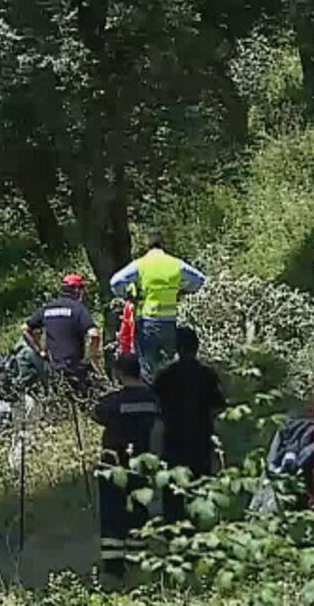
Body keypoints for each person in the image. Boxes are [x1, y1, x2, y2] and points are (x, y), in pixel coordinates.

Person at [92, 352, 159, 578]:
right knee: (138, 513)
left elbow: (97, 413)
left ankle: (113, 569)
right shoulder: (152, 399)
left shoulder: (114, 401)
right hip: (142, 464)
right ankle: (137, 561)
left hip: (113, 464)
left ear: (119, 373)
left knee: (112, 516)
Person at [109, 229, 206, 382]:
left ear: (147, 246)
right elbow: (200, 280)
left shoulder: (141, 264)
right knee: (168, 366)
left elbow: (115, 282)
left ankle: (152, 401)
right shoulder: (175, 264)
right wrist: (182, 291)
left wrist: (126, 295)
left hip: (147, 322)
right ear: (163, 245)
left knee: (148, 368)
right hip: (169, 323)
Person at [153, 326, 226, 522]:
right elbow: (220, 405)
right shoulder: (207, 374)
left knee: (173, 486)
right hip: (200, 438)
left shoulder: (165, 375)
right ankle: (199, 523)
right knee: (200, 484)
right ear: (197, 346)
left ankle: (173, 525)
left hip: (174, 438)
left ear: (177, 347)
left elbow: (155, 405)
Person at [22, 273, 101, 387]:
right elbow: (94, 335)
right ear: (77, 290)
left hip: (52, 368)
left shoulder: (47, 308)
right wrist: (91, 359)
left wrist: (39, 351)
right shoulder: (77, 309)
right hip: (74, 368)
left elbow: (25, 329)